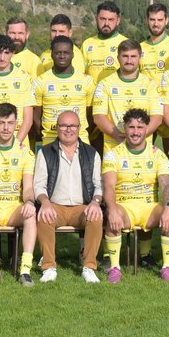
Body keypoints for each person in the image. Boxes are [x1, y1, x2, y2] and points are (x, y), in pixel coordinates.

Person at [101, 109, 169, 283]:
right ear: (125, 129)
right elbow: (109, 186)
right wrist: (112, 209)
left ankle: (166, 268)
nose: (135, 132)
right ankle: (114, 268)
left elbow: (166, 185)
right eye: (131, 127)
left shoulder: (158, 154)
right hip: (125, 206)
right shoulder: (113, 154)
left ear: (146, 129)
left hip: (149, 206)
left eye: (140, 127)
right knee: (113, 215)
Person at [34, 111, 105, 283]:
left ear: (79, 128)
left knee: (96, 217)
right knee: (44, 216)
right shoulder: (45, 152)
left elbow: (98, 185)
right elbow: (39, 185)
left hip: (82, 207)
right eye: (64, 125)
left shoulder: (91, 153)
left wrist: (95, 203)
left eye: (72, 125)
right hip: (55, 205)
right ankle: (49, 267)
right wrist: (44, 202)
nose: (68, 129)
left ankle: (89, 267)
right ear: (57, 128)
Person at [0, 103, 39, 286]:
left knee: (31, 214)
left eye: (10, 123)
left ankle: (25, 270)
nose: (6, 128)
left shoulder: (25, 153)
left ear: (16, 124)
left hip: (14, 208)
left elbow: (28, 187)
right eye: (2, 122)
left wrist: (29, 202)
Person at [92, 40, 164, 151]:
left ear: (139, 58)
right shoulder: (105, 84)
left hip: (143, 151)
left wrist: (137, 138)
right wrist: (118, 136)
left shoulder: (151, 85)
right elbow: (98, 117)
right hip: (113, 150)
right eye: (125, 56)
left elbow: (157, 118)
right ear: (118, 58)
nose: (129, 60)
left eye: (133, 56)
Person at [33, 36, 96, 145]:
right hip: (50, 141)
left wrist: (77, 131)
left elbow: (91, 116)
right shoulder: (40, 81)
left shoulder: (87, 81)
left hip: (80, 141)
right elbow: (36, 116)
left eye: (66, 53)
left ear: (72, 54)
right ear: (51, 54)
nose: (62, 56)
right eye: (58, 53)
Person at [82, 1, 130, 79]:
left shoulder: (126, 43)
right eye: (103, 19)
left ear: (118, 21)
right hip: (91, 91)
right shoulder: (87, 44)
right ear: (96, 18)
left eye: (111, 19)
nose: (106, 23)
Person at [140, 3, 169, 82]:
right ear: (146, 20)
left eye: (160, 20)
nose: (156, 24)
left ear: (166, 21)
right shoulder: (139, 48)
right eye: (152, 20)